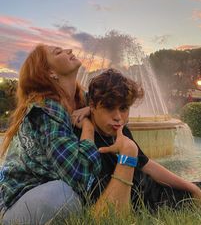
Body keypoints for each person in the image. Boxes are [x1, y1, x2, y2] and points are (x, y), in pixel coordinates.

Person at [0, 45, 138, 224]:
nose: (69, 51)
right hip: (18, 204)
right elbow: (80, 175)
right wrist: (87, 128)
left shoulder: (80, 99)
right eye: (58, 53)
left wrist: (91, 109)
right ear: (50, 72)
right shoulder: (45, 110)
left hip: (43, 194)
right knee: (63, 196)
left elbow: (104, 103)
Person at [73, 68, 201, 213]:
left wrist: (193, 189)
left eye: (124, 108)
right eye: (109, 107)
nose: (118, 117)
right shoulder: (83, 136)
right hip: (143, 203)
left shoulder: (120, 129)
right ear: (92, 105)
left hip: (153, 192)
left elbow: (147, 165)